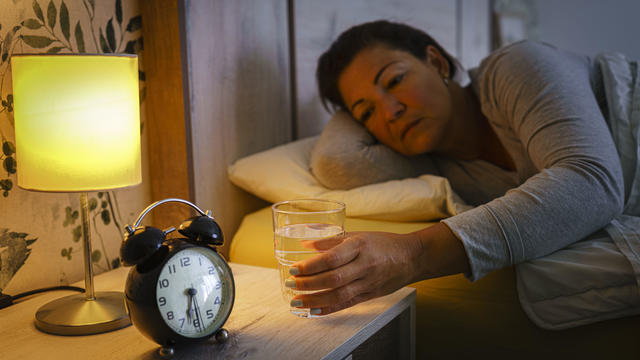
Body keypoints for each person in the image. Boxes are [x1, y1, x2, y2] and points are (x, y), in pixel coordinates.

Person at [283, 19, 640, 317]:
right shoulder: (434, 168)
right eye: (366, 113)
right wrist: (354, 103)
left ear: (437, 63)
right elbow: (336, 162)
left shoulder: (516, 66)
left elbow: (592, 183)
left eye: (394, 81)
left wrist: (414, 254)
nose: (390, 112)